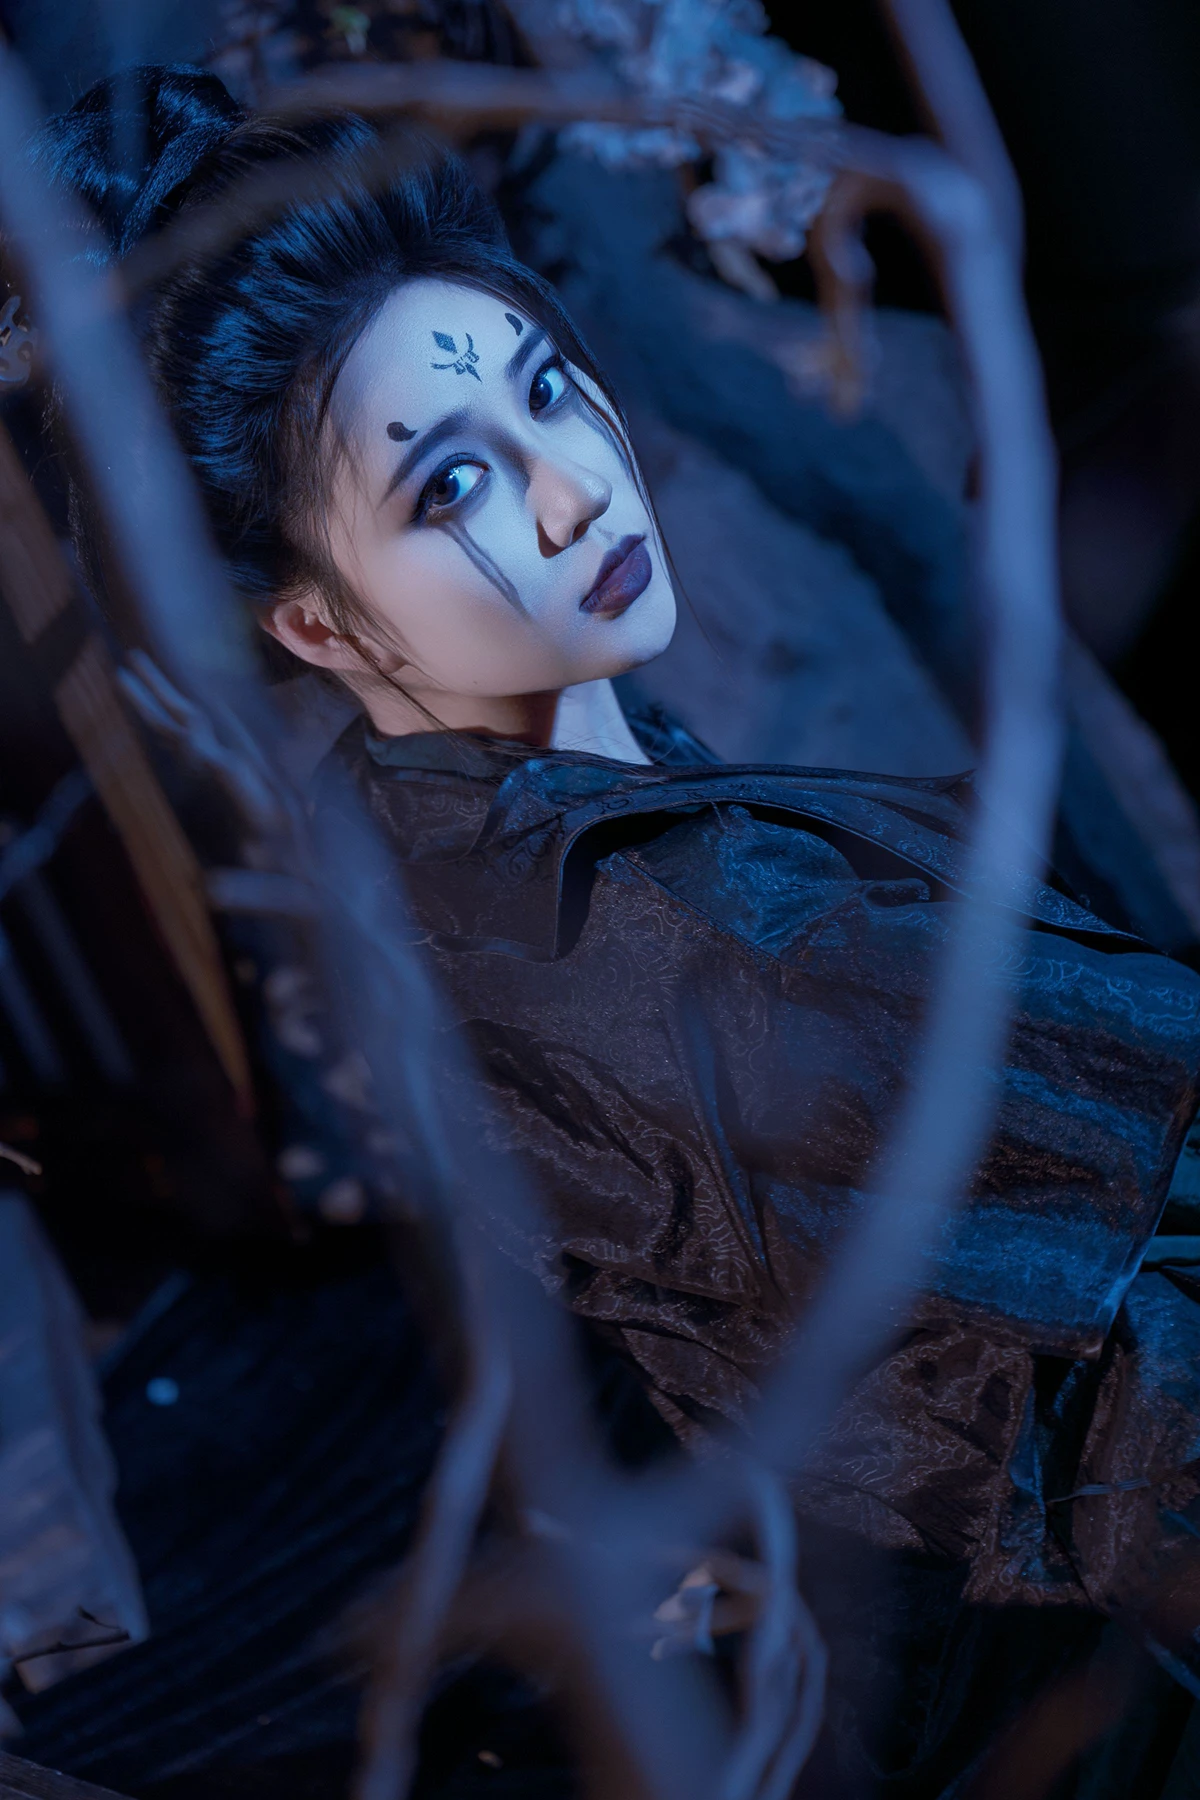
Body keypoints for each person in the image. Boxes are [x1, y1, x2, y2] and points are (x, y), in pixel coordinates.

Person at [23, 63, 1200, 1798]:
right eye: (450, 488)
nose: (571, 490)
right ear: (315, 627)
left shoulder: (454, 827)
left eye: (546, 390)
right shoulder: (663, 941)